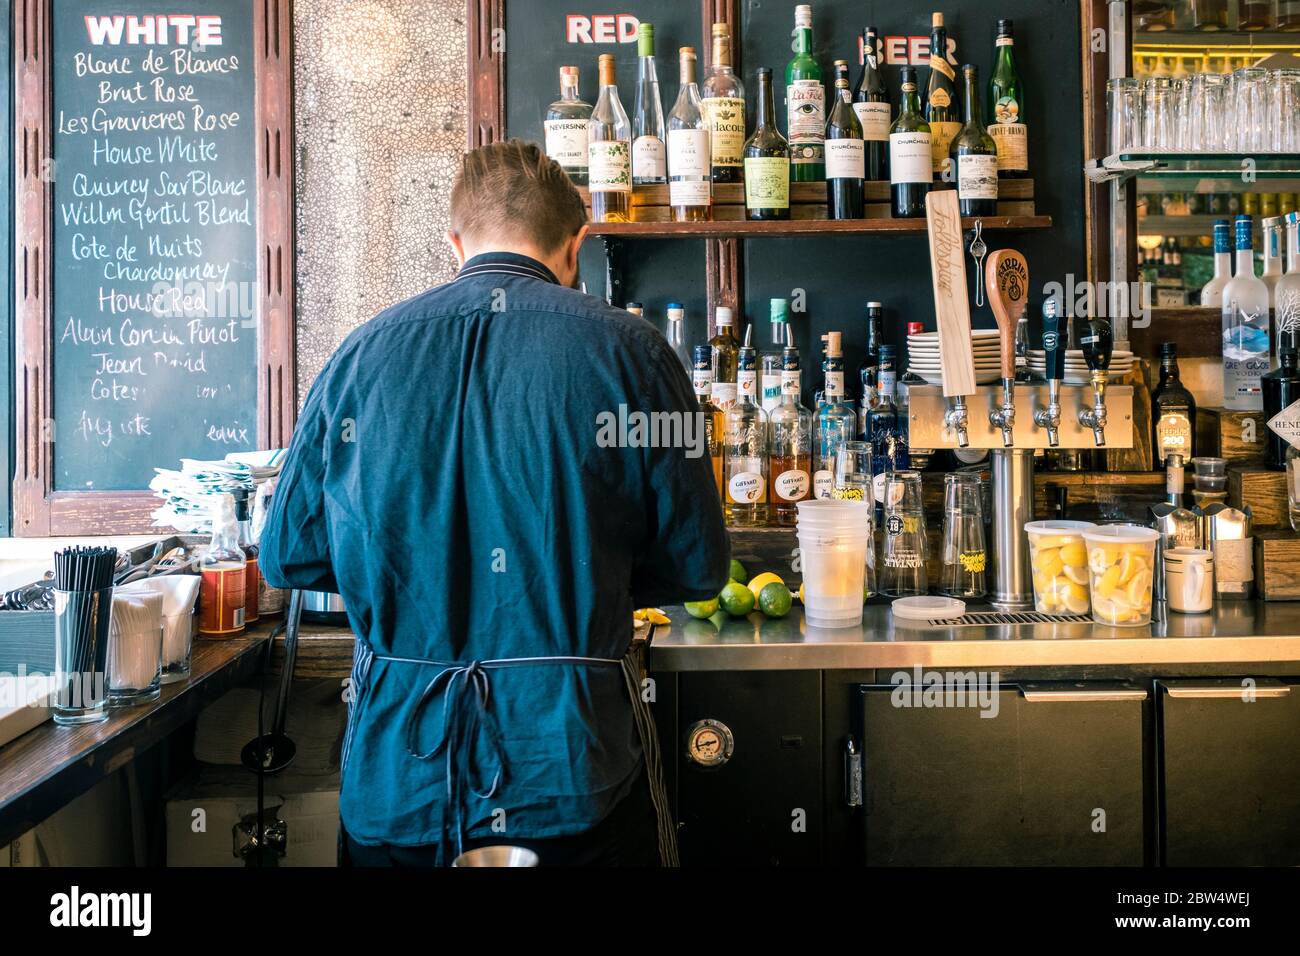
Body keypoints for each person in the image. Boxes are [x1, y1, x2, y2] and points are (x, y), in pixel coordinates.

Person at [259, 140, 730, 866]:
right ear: (576, 244)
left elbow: (291, 554)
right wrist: (576, 581)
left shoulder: (358, 356)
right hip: (571, 767)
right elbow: (699, 567)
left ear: (454, 242)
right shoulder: (634, 354)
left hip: (400, 776)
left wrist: (415, 582)